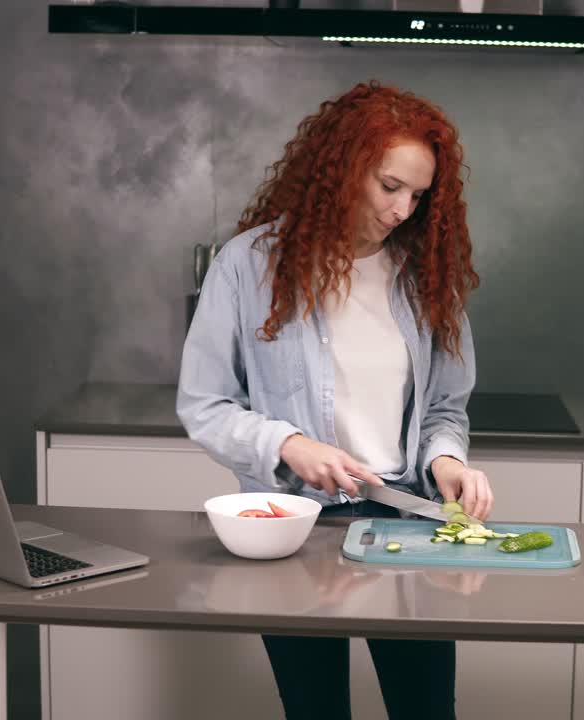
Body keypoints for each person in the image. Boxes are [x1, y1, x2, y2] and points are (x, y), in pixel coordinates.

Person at [176, 81, 492, 720]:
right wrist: (288, 445)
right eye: (389, 186)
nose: (404, 210)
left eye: (419, 195)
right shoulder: (248, 266)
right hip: (295, 531)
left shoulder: (424, 276)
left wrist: (447, 462)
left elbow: (443, 409)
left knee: (427, 710)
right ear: (342, 168)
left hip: (408, 527)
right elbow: (204, 403)